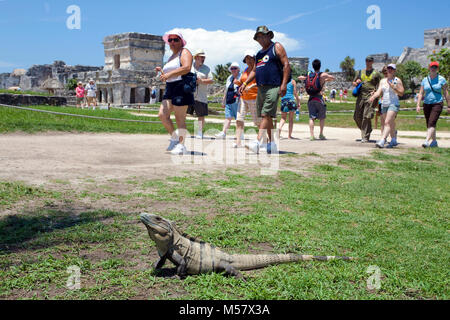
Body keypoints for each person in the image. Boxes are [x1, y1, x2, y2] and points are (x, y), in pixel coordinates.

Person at [239, 26, 291, 154]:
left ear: (269, 36)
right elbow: (255, 71)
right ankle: (272, 144)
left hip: (273, 86)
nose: (261, 39)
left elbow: (286, 65)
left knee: (265, 114)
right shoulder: (259, 54)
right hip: (261, 88)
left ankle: (257, 142)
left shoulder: (276, 47)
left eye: (263, 36)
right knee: (266, 117)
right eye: (258, 37)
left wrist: (283, 84)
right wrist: (245, 83)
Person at [156, 31, 194, 155]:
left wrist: (169, 74)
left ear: (181, 41)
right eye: (170, 40)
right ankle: (174, 138)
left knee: (179, 118)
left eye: (175, 40)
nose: (172, 42)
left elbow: (186, 67)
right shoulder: (171, 57)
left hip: (181, 86)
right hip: (170, 86)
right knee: (162, 114)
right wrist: (162, 72)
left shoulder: (184, 52)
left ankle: (182, 146)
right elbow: (169, 74)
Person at [298, 59, 335, 141]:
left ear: (313, 66)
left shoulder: (309, 75)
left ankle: (311, 135)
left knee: (311, 117)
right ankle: (321, 134)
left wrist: (305, 78)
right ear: (320, 66)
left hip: (311, 99)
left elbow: (299, 78)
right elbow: (333, 78)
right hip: (319, 98)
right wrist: (326, 80)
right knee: (322, 117)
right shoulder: (322, 75)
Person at [369, 64, 404, 148]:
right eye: (388, 68)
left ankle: (382, 140)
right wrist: (373, 96)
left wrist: (394, 88)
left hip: (393, 103)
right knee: (390, 123)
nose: (389, 70)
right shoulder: (383, 81)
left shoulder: (397, 80)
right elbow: (379, 92)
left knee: (387, 122)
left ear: (394, 70)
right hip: (384, 104)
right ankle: (393, 139)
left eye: (392, 69)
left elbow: (402, 93)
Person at [416, 61, 450, 148]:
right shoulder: (425, 79)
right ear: (429, 68)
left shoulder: (441, 79)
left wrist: (449, 105)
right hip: (426, 104)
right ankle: (434, 141)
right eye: (432, 67)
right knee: (429, 123)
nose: (433, 69)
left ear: (437, 69)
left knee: (432, 122)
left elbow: (446, 93)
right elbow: (421, 93)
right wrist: (418, 104)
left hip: (437, 103)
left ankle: (426, 141)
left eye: (435, 67)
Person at [233, 50, 260, 148]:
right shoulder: (245, 70)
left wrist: (252, 86)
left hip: (254, 98)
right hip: (243, 98)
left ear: (254, 59)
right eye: (246, 58)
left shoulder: (258, 69)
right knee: (239, 119)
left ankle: (264, 139)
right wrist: (238, 83)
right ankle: (238, 142)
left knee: (257, 122)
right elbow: (243, 82)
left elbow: (261, 82)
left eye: (250, 58)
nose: (248, 60)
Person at [352, 56, 382, 143]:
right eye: (367, 60)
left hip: (370, 97)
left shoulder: (376, 73)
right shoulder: (360, 72)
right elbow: (353, 83)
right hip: (360, 96)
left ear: (372, 62)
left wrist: (376, 92)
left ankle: (365, 136)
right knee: (356, 116)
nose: (368, 62)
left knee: (366, 116)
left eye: (370, 61)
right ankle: (367, 129)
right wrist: (356, 82)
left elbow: (380, 84)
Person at [189, 49, 214, 139]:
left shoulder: (206, 68)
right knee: (182, 113)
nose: (203, 58)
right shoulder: (189, 67)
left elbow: (211, 80)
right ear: (196, 57)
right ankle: (181, 130)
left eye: (204, 57)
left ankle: (199, 132)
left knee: (201, 115)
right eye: (201, 57)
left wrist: (201, 80)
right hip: (189, 95)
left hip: (201, 96)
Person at [216, 62, 241, 139]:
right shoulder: (229, 78)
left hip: (237, 101)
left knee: (239, 119)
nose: (233, 70)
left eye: (235, 68)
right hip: (229, 101)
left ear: (238, 69)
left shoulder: (241, 77)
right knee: (227, 118)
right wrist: (223, 101)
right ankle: (223, 133)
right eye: (232, 68)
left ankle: (240, 134)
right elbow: (226, 91)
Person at [278, 74, 300, 139]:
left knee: (283, 118)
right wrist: (298, 101)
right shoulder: (293, 81)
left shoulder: (282, 82)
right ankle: (289, 136)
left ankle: (279, 128)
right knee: (291, 119)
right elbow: (295, 93)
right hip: (291, 100)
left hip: (283, 100)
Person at [374, 66, 388, 131]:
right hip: (382, 102)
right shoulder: (382, 81)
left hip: (390, 103)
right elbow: (379, 91)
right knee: (382, 120)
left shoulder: (394, 80)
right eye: (384, 71)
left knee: (389, 121)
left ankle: (392, 132)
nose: (386, 72)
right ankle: (383, 137)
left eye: (387, 70)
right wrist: (374, 94)